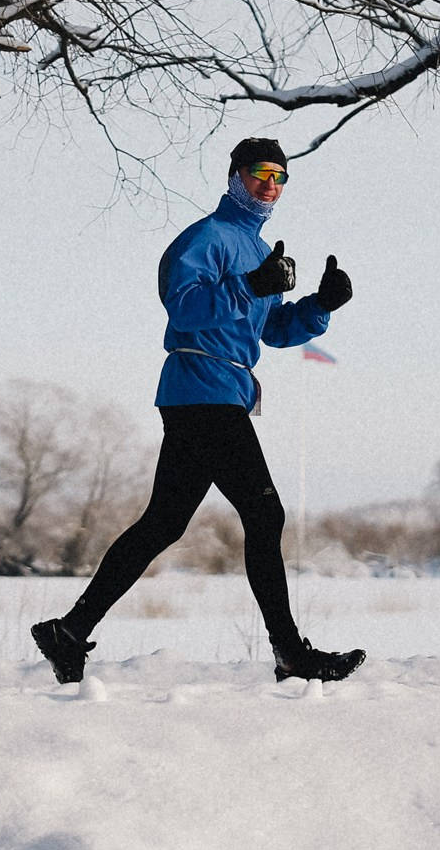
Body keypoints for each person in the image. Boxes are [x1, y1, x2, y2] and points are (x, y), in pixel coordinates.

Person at [32, 138, 365, 686]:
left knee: (164, 522)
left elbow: (270, 330)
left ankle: (69, 631)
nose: (270, 185)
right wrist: (250, 285)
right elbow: (183, 308)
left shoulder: (259, 251)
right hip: (201, 389)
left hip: (220, 392)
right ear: (235, 176)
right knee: (265, 514)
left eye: (280, 177)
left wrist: (319, 307)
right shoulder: (206, 239)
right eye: (260, 173)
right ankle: (290, 653)